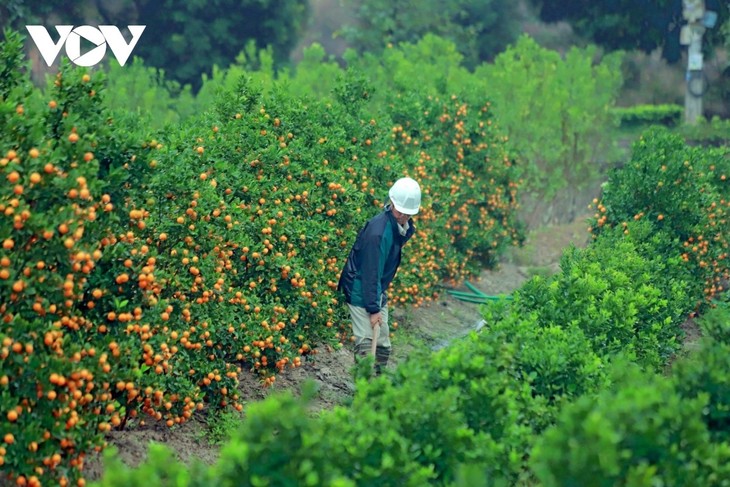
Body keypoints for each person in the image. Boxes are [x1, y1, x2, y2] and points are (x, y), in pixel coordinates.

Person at [337, 177, 421, 375]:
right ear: (391, 204)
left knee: (383, 346)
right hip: (359, 289)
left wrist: (378, 301)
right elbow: (370, 272)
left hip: (376, 290)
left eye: (406, 213)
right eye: (399, 210)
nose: (402, 215)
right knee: (367, 344)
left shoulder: (400, 228)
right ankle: (363, 391)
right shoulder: (378, 232)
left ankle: (377, 386)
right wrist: (374, 308)